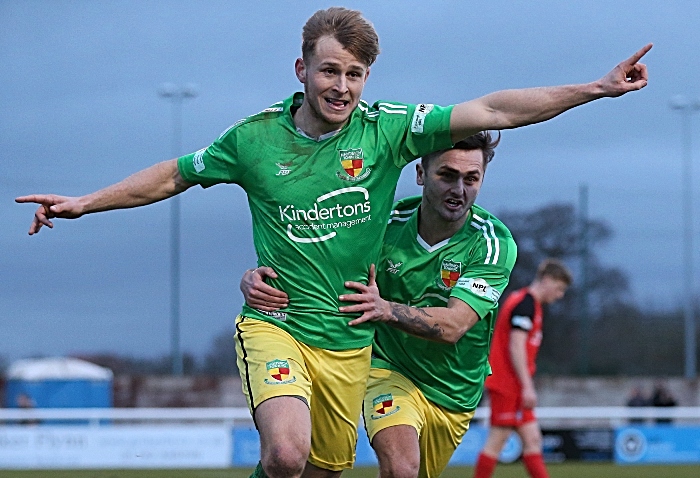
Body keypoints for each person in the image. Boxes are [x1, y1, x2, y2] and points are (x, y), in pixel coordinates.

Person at [15, 6, 650, 478]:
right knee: (286, 454)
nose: (341, 86)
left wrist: (593, 89)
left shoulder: (391, 132)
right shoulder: (254, 140)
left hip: (350, 347)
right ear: (302, 69)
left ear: (367, 77)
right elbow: (174, 175)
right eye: (329, 71)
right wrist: (86, 202)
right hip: (279, 324)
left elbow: (496, 110)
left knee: (317, 470)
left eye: (354, 74)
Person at [243, 132, 516, 478]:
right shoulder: (383, 224)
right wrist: (256, 277)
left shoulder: (491, 243)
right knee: (400, 467)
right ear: (420, 174)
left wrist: (386, 308)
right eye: (446, 175)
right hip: (387, 369)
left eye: (471, 179)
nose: (459, 190)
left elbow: (455, 325)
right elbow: (316, 261)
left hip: (454, 391)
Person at [474, 259, 572, 478]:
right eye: (559, 288)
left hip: (514, 385)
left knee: (532, 439)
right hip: (508, 385)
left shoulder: (529, 304)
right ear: (546, 280)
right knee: (497, 441)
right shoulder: (525, 304)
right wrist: (527, 386)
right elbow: (515, 346)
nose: (559, 295)